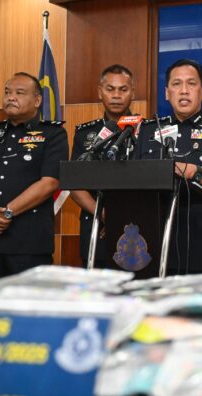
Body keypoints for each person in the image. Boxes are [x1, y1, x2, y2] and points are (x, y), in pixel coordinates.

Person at [135, 59, 202, 275]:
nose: (184, 90)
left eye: (191, 84)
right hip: (157, 242)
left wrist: (195, 171)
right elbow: (135, 182)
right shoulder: (148, 131)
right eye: (176, 84)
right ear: (167, 93)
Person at [0, 72, 69, 280]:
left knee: (27, 298)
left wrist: (8, 212)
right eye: (7, 92)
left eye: (19, 93)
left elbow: (49, 183)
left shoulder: (52, 134)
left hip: (29, 242)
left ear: (37, 101)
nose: (11, 97)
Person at [70, 64, 136, 267]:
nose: (116, 95)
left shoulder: (148, 131)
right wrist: (104, 215)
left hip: (136, 227)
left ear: (132, 93)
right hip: (95, 225)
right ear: (100, 92)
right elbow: (74, 184)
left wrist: (122, 217)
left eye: (123, 89)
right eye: (110, 89)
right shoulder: (85, 134)